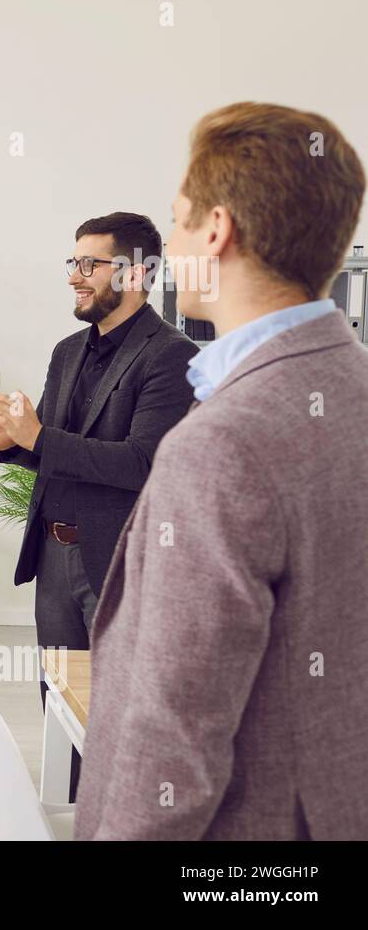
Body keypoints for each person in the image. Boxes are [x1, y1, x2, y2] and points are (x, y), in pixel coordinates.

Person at [76, 102, 368, 839]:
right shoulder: (351, 387)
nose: (170, 245)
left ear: (216, 230)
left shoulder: (225, 441)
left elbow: (173, 734)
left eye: (177, 222)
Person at [0, 212, 198, 801]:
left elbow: (141, 464)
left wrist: (36, 437)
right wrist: (9, 441)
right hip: (57, 559)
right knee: (60, 710)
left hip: (121, 563)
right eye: (74, 263)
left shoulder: (171, 355)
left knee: (117, 716)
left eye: (89, 264)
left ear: (136, 272)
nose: (75, 277)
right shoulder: (67, 351)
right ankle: (70, 815)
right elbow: (57, 449)